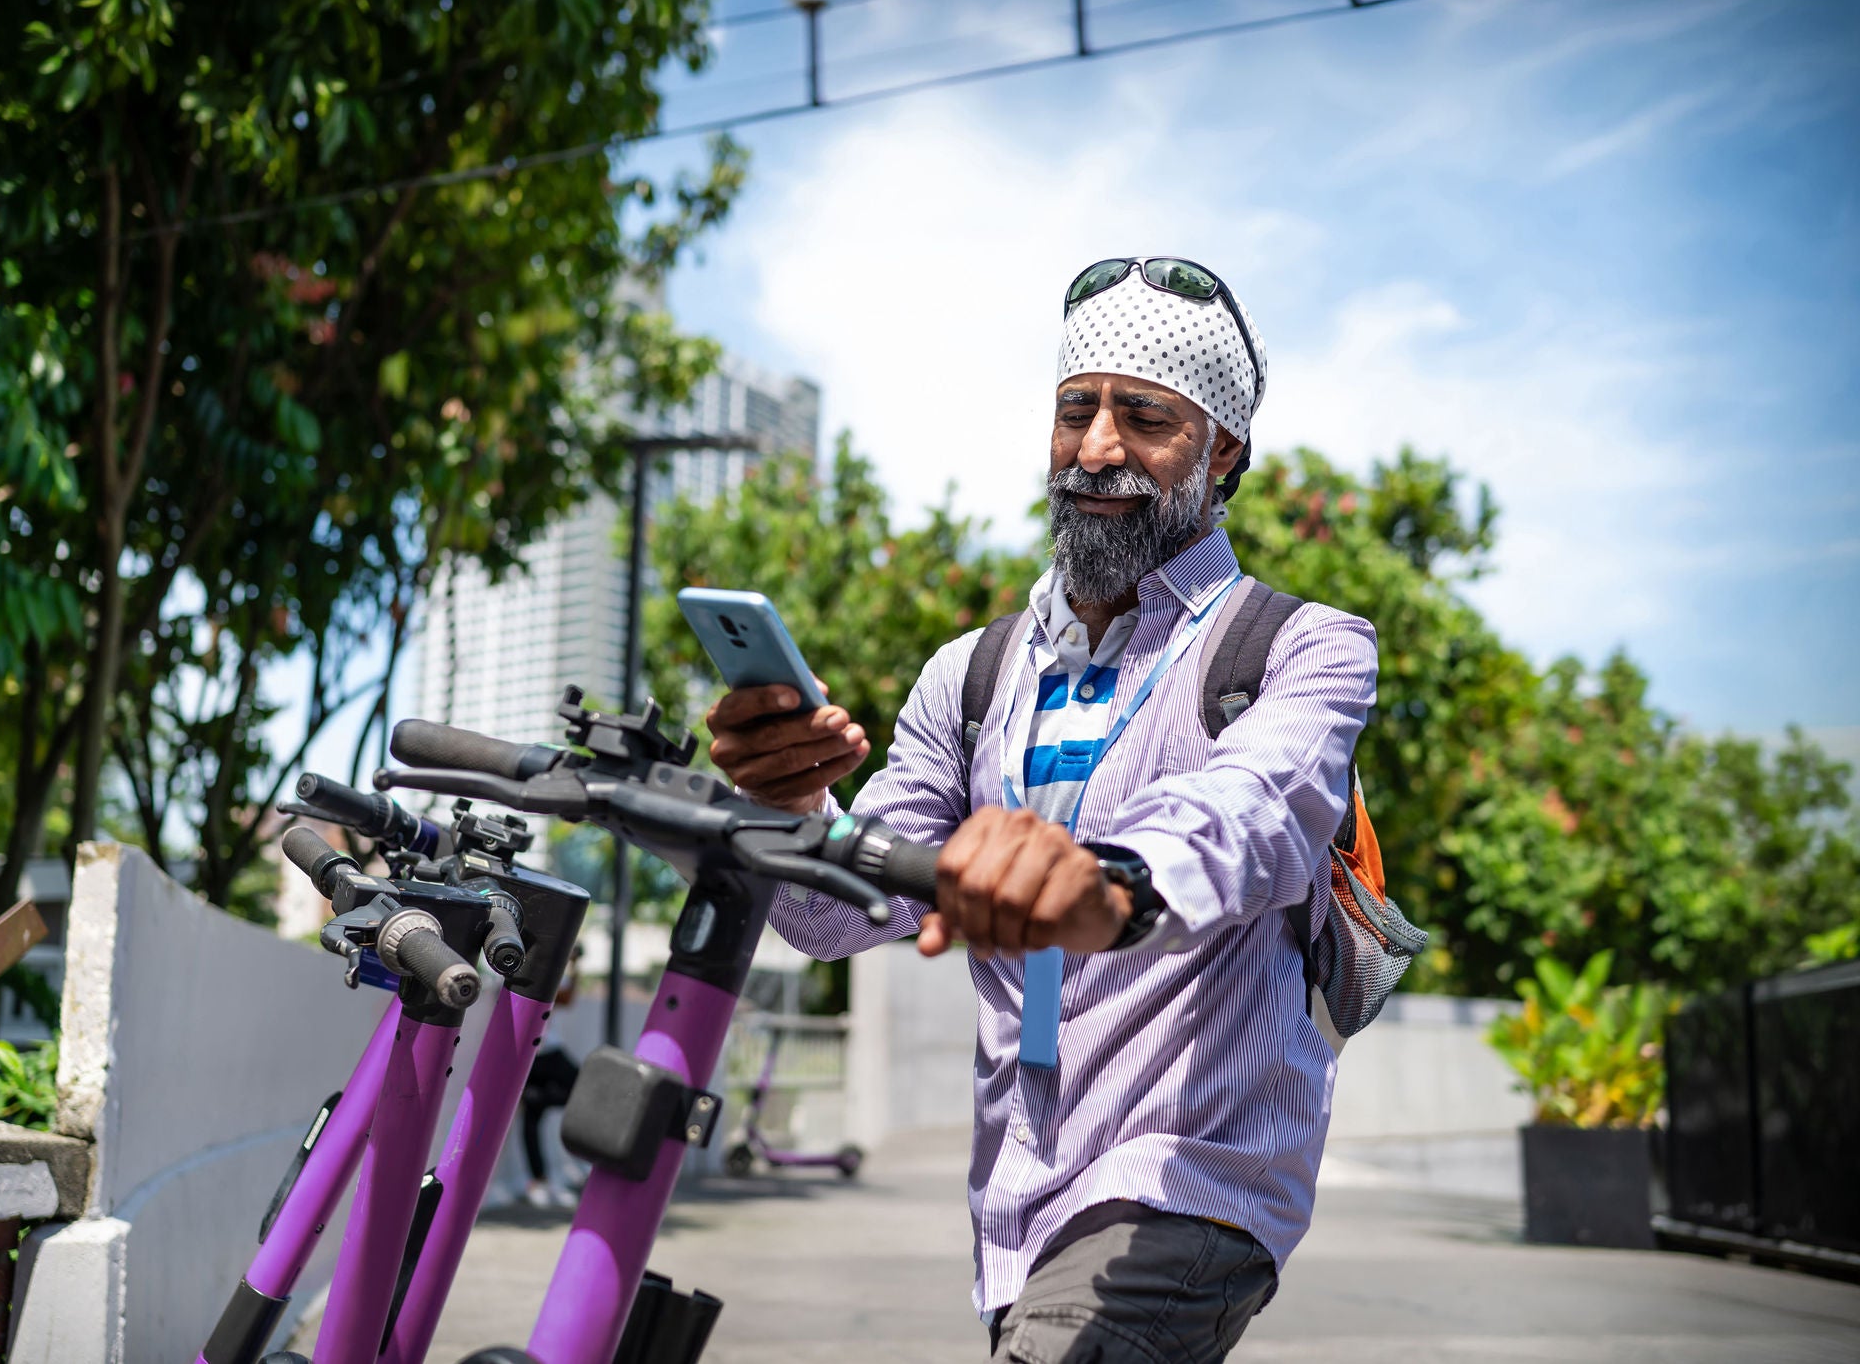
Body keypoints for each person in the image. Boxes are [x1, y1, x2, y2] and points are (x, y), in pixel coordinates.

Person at [703, 258, 1378, 1362]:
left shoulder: (1299, 645)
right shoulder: (971, 675)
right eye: (1076, 411)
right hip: (1014, 1196)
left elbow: (1252, 809)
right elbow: (835, 917)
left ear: (1222, 455)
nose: (1097, 447)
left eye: (1145, 418)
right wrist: (790, 802)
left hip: (1189, 1182)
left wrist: (1100, 881)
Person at [519, 948, 582, 1208]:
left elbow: (566, 998)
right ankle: (538, 1181)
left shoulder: (551, 967)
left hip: (549, 1050)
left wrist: (574, 964)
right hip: (527, 1055)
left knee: (584, 1090)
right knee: (531, 1124)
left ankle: (538, 1100)